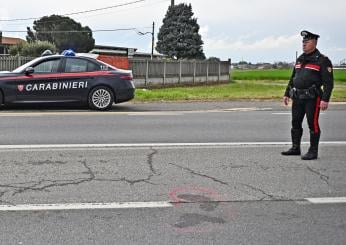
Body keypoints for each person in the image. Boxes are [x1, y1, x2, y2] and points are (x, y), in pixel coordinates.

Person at [282, 30, 334, 160]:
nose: (304, 44)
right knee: (295, 122)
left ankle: (313, 151)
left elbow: (329, 83)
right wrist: (287, 93)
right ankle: (295, 148)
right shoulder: (300, 59)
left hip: (313, 98)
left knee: (313, 124)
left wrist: (325, 99)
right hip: (297, 97)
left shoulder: (322, 60)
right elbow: (293, 77)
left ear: (315, 43)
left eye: (307, 41)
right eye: (303, 41)